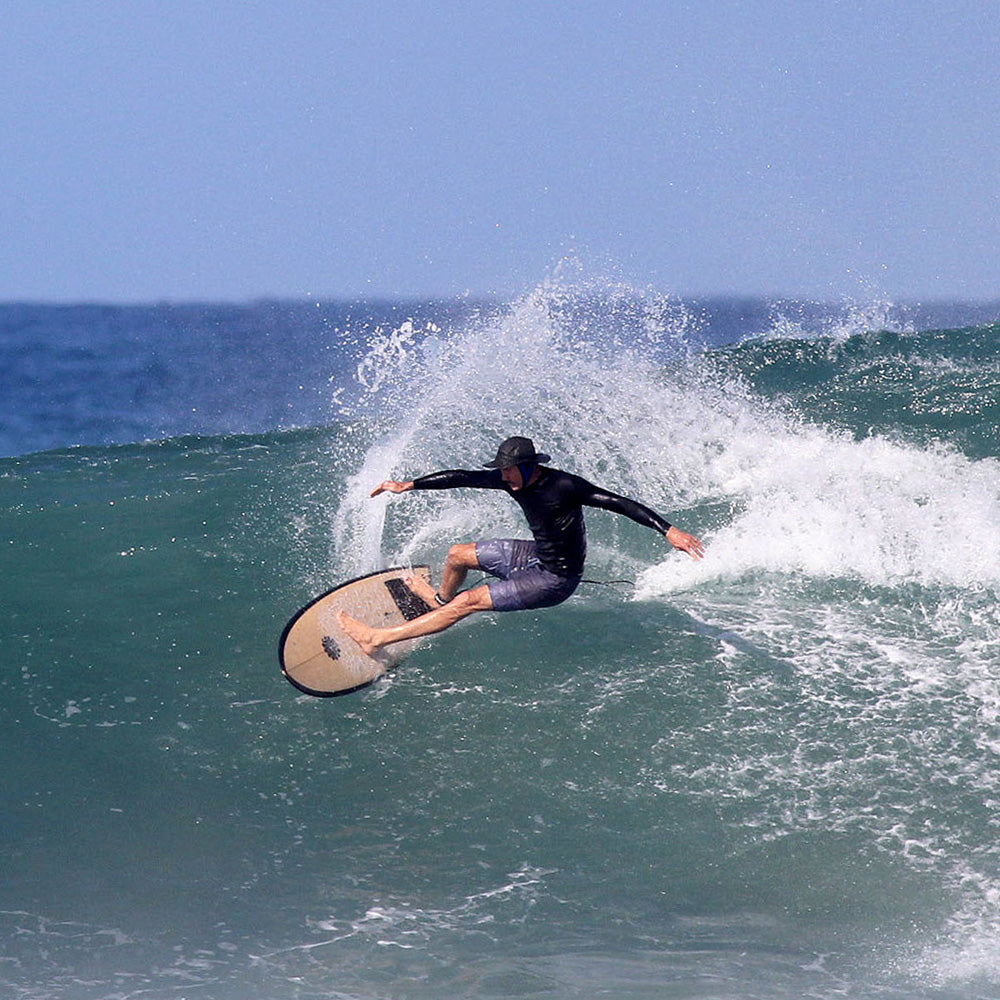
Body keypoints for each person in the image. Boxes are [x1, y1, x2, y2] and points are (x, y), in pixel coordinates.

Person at [337, 436, 705, 656]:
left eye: (511, 470)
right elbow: (463, 477)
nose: (505, 476)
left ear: (530, 467)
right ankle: (438, 604)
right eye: (503, 470)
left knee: (472, 601)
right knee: (457, 555)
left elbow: (618, 502)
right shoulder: (509, 479)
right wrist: (408, 485)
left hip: (556, 578)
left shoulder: (564, 485)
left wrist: (667, 529)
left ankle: (376, 639)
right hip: (536, 556)